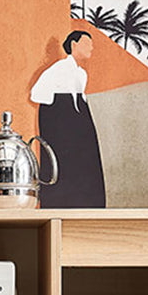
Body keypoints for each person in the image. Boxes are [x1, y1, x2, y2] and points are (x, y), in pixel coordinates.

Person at [30, 30, 106, 208]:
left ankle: (90, 204)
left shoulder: (82, 74)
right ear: (74, 45)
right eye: (87, 44)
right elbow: (36, 94)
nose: (91, 48)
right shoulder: (58, 68)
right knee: (62, 163)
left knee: (87, 160)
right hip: (60, 122)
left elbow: (81, 102)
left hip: (78, 122)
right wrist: (59, 110)